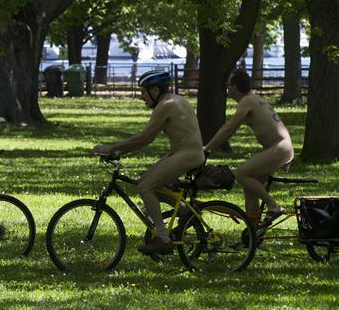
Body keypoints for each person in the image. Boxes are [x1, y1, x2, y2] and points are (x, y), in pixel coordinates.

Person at [93, 70, 205, 255]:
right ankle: (187, 210)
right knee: (146, 181)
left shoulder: (166, 105)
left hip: (187, 155)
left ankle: (162, 239)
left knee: (145, 187)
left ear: (154, 90)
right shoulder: (173, 100)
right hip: (184, 153)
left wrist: (111, 148)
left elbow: (145, 138)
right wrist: (119, 149)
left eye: (143, 92)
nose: (141, 97)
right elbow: (144, 139)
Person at [203, 68, 294, 229]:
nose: (227, 88)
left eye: (228, 85)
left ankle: (274, 206)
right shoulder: (253, 98)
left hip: (280, 148)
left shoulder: (247, 101)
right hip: (280, 147)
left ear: (235, 87)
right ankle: (252, 234)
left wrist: (207, 149)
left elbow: (229, 128)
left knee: (240, 173)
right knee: (250, 187)